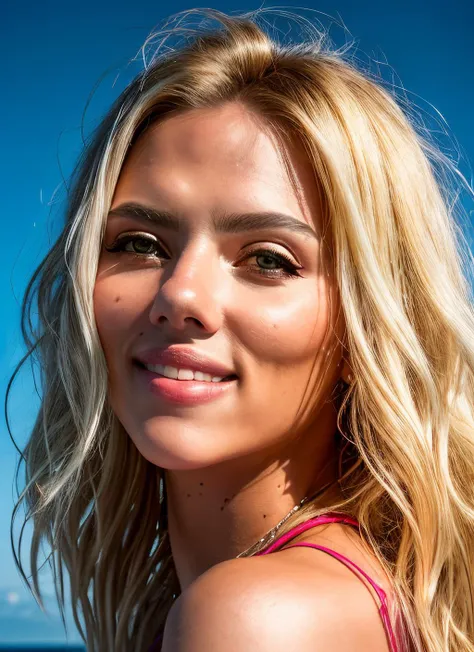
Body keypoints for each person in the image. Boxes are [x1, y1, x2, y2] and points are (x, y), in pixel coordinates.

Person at [7, 7, 474, 652]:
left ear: (369, 320)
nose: (180, 294)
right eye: (140, 243)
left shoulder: (252, 621)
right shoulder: (366, 593)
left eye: (267, 260)